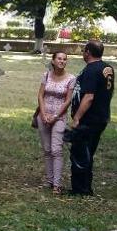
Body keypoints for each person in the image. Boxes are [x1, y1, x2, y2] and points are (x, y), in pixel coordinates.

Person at [68, 40, 115, 196]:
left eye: (84, 50)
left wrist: (77, 118)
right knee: (88, 153)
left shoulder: (91, 70)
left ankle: (80, 190)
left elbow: (88, 97)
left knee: (80, 153)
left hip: (89, 119)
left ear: (88, 52)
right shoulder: (107, 68)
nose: (83, 53)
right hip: (101, 116)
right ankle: (86, 187)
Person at [36, 51, 77, 195]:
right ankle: (49, 180)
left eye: (64, 59)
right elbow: (41, 95)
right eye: (59, 59)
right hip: (44, 116)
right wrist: (43, 113)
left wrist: (55, 116)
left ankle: (57, 184)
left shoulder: (71, 78)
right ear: (53, 61)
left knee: (56, 150)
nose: (62, 61)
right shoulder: (46, 75)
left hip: (59, 118)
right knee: (47, 150)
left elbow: (68, 100)